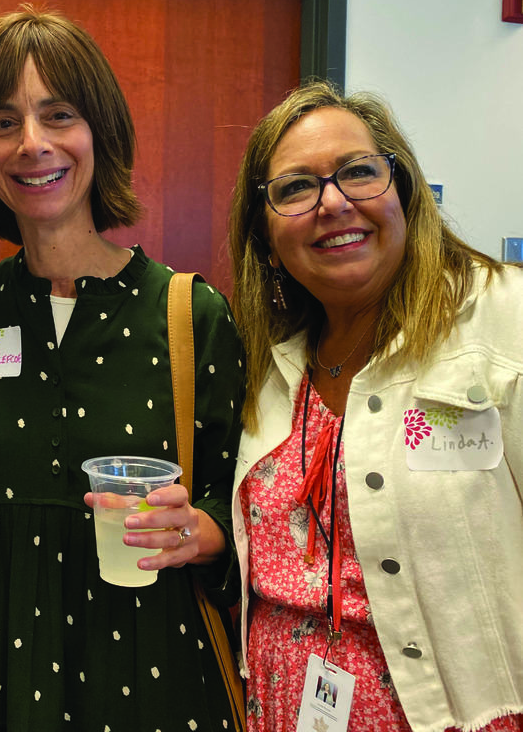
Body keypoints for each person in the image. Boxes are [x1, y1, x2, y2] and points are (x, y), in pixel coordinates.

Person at [0, 7, 246, 731]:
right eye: (2, 122)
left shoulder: (188, 314)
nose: (32, 144)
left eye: (58, 114)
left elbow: (245, 516)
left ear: (100, 132)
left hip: (154, 678)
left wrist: (199, 530)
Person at [228, 80, 523, 732]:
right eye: (295, 188)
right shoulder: (271, 366)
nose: (332, 203)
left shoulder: (504, 320)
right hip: (280, 707)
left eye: (358, 172)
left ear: (404, 192)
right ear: (266, 238)